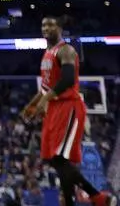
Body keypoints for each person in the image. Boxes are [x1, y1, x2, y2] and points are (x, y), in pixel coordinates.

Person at [21, 17, 115, 206]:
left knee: (59, 158)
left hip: (69, 107)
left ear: (60, 28)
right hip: (54, 108)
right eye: (43, 25)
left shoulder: (66, 50)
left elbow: (68, 80)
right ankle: (93, 199)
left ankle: (97, 198)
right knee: (55, 160)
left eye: (50, 25)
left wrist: (45, 101)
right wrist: (29, 105)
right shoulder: (46, 54)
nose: (46, 28)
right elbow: (45, 88)